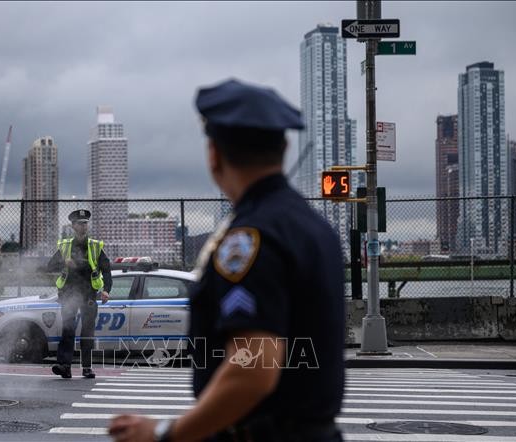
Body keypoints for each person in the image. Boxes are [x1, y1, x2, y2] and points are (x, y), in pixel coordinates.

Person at [109, 78, 345, 442]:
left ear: (214, 155)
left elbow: (254, 367)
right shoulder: (314, 227)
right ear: (282, 147)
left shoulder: (249, 239)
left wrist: (165, 434)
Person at [47, 209, 112, 379]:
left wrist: (106, 290)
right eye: (80, 223)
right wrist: (64, 261)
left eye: (85, 223)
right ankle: (64, 366)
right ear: (73, 226)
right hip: (69, 293)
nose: (84, 226)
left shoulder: (95, 246)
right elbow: (50, 267)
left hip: (88, 294)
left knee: (87, 331)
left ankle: (87, 367)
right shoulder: (65, 246)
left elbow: (107, 270)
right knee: (68, 329)